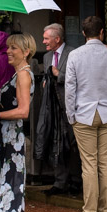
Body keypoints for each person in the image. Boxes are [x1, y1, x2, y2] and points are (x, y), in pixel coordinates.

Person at [63, 15, 107, 212]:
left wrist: (70, 114)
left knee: (89, 163)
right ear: (102, 32)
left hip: (84, 113)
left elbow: (70, 88)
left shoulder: (75, 55)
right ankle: (106, 210)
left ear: (84, 33)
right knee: (105, 163)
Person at [0, 32, 35, 212]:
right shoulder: (17, 73)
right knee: (5, 178)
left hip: (12, 135)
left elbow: (23, 111)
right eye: (8, 47)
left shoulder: (23, 75)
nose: (8, 51)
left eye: (13, 48)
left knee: (11, 179)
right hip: (6, 134)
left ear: (26, 52)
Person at [39, 23, 78, 195]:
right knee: (57, 145)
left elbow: (77, 77)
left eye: (46, 38)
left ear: (57, 38)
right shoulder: (47, 56)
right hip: (53, 109)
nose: (44, 41)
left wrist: (58, 75)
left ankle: (77, 181)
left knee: (73, 144)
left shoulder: (73, 53)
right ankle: (60, 182)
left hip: (71, 106)